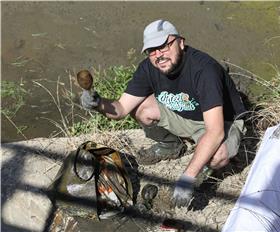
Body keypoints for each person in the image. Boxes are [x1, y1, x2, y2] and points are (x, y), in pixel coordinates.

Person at [81, 19, 247, 208]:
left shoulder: (204, 70)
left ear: (181, 42)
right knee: (140, 108)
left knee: (218, 155)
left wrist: (187, 177)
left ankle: (205, 171)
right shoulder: (148, 68)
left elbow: (215, 131)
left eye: (164, 46)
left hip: (221, 122)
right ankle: (172, 145)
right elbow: (120, 109)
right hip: (185, 116)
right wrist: (98, 103)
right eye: (152, 50)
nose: (158, 55)